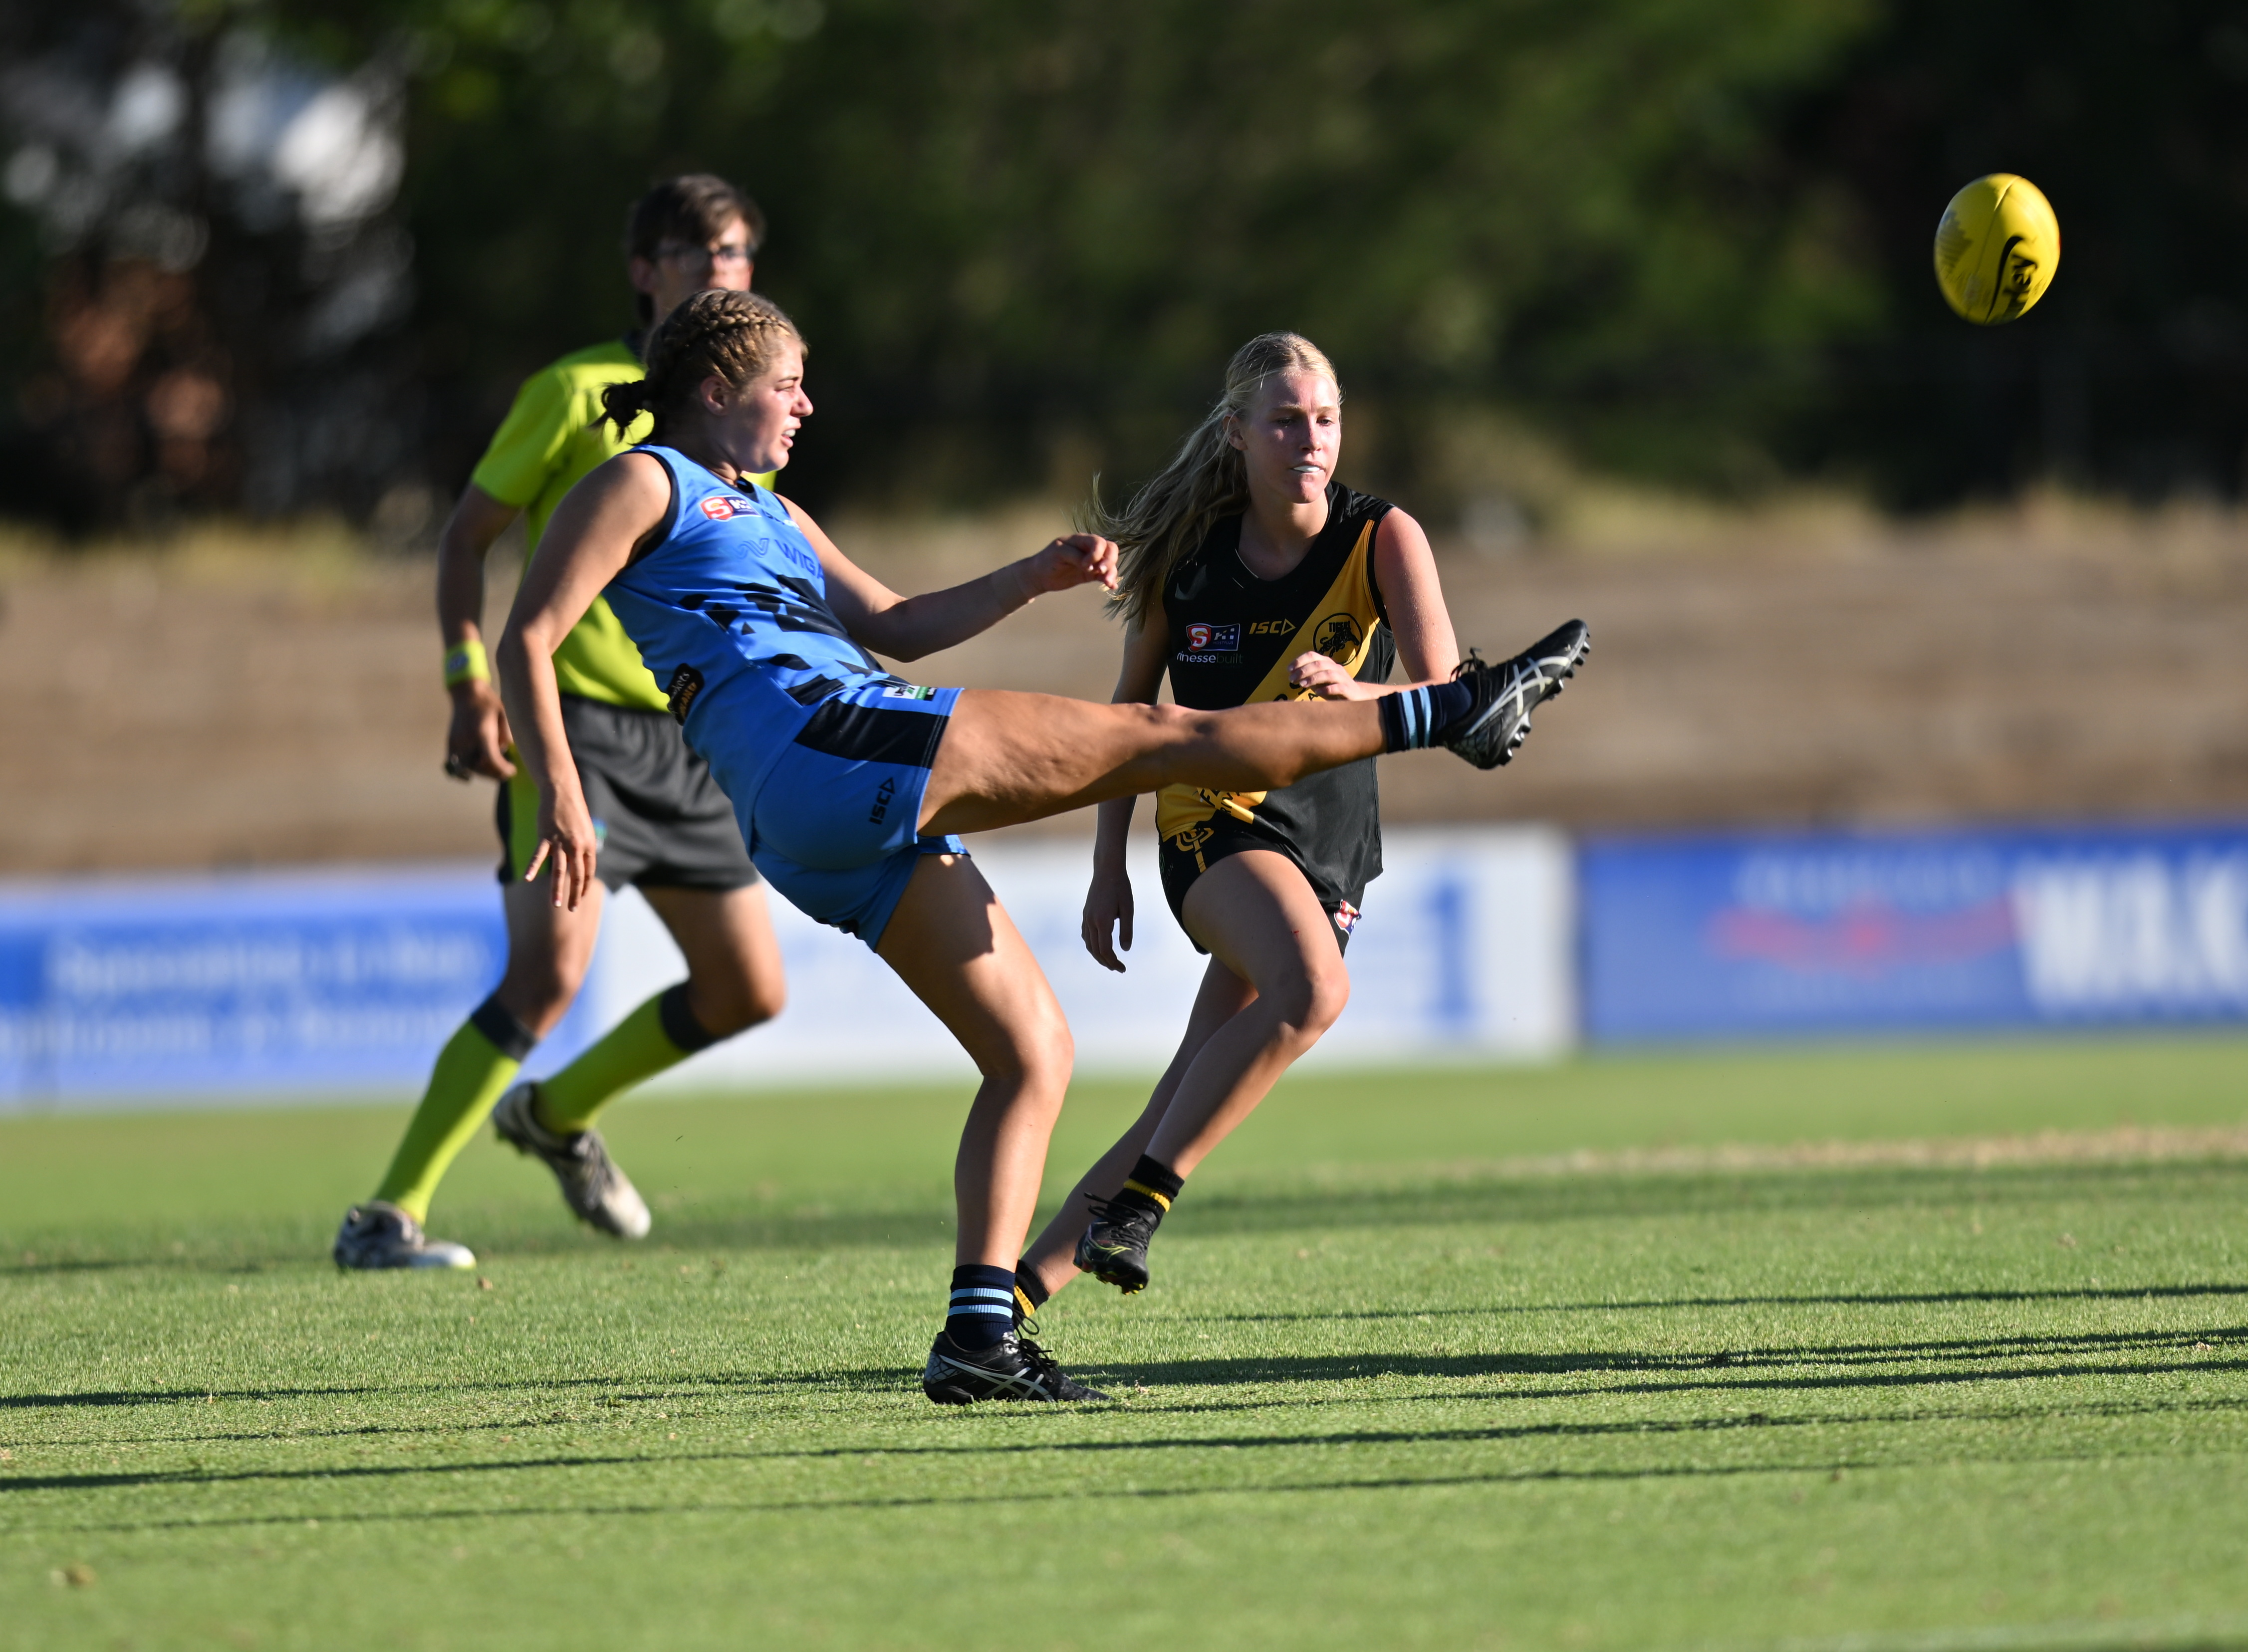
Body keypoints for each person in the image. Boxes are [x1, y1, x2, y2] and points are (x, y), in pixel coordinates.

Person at [497, 288, 1587, 1402]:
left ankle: (980, 1334)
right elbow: (527, 635)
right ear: (717, 392)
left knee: (1034, 1053)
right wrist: (566, 792)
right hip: (828, 743)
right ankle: (1446, 713)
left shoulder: (768, 506)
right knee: (1164, 739)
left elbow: (890, 623)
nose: (806, 405)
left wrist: (1029, 574)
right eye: (788, 386)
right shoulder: (644, 479)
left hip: (814, 821)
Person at [333, 176, 792, 1272]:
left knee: (749, 992)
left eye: (736, 252)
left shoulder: (742, 412)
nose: (721, 269)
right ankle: (386, 1213)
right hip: (570, 724)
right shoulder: (576, 390)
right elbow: (464, 538)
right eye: (697, 251)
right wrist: (465, 679)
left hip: (690, 737)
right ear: (645, 269)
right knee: (546, 978)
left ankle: (554, 1115)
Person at [1011, 332, 1474, 1323]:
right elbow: (1125, 724)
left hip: (1331, 845)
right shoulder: (1188, 562)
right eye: (1284, 421)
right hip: (1209, 825)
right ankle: (1136, 1208)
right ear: (1236, 435)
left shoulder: (1381, 536)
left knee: (1178, 1093)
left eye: (1325, 419)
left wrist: (1360, 692)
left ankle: (1001, 1311)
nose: (1310, 439)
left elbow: (1446, 695)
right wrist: (1107, 868)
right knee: (1312, 989)